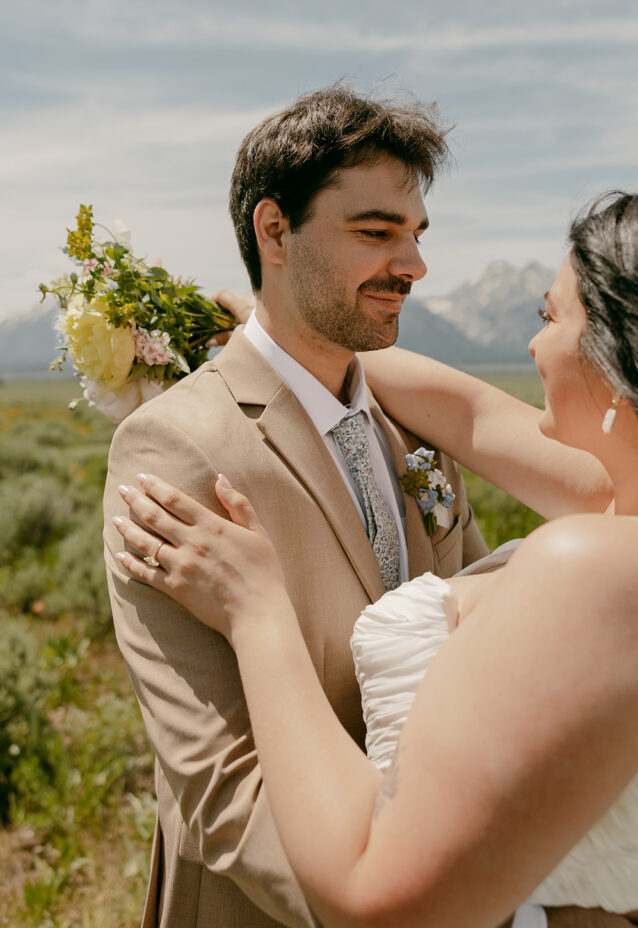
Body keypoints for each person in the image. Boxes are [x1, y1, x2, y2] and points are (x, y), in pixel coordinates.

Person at [112, 185, 638, 928]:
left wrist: (258, 615)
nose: (534, 345)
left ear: (620, 359)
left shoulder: (602, 565)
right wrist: (279, 334)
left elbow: (374, 899)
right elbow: (472, 413)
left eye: (549, 316)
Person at [104, 84, 533, 928]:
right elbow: (220, 784)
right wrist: (419, 905)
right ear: (274, 231)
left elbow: (478, 650)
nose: (411, 265)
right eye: (376, 233)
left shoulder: (413, 425)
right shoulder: (176, 447)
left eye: (414, 236)